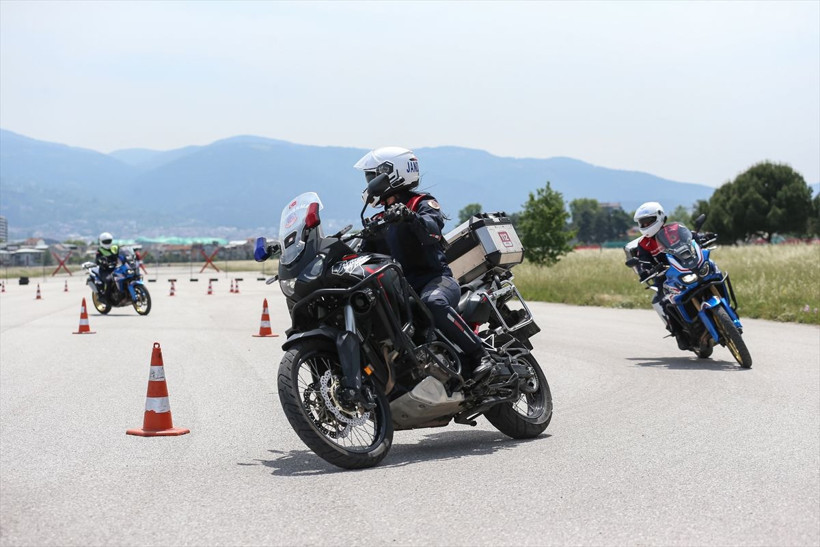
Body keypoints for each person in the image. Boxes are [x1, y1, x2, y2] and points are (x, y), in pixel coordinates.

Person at [354, 146, 497, 381]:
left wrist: (410, 218)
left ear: (392, 174)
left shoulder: (421, 203)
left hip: (436, 281)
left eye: (372, 177)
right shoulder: (380, 220)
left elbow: (432, 232)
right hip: (405, 292)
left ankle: (480, 355)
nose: (369, 184)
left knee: (433, 303)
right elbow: (362, 256)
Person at [632, 202, 688, 350]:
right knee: (665, 300)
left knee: (713, 272)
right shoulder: (644, 244)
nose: (645, 225)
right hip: (665, 276)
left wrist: (702, 237)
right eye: (642, 222)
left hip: (686, 266)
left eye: (648, 221)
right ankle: (679, 334)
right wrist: (645, 270)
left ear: (659, 217)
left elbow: (691, 237)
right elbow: (643, 261)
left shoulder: (675, 229)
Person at [95, 232, 121, 297]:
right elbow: (97, 259)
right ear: (101, 241)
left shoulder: (115, 247)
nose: (107, 243)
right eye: (105, 242)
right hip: (105, 270)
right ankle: (106, 297)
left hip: (116, 268)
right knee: (109, 280)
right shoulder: (100, 250)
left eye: (109, 241)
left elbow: (123, 253)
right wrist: (102, 262)